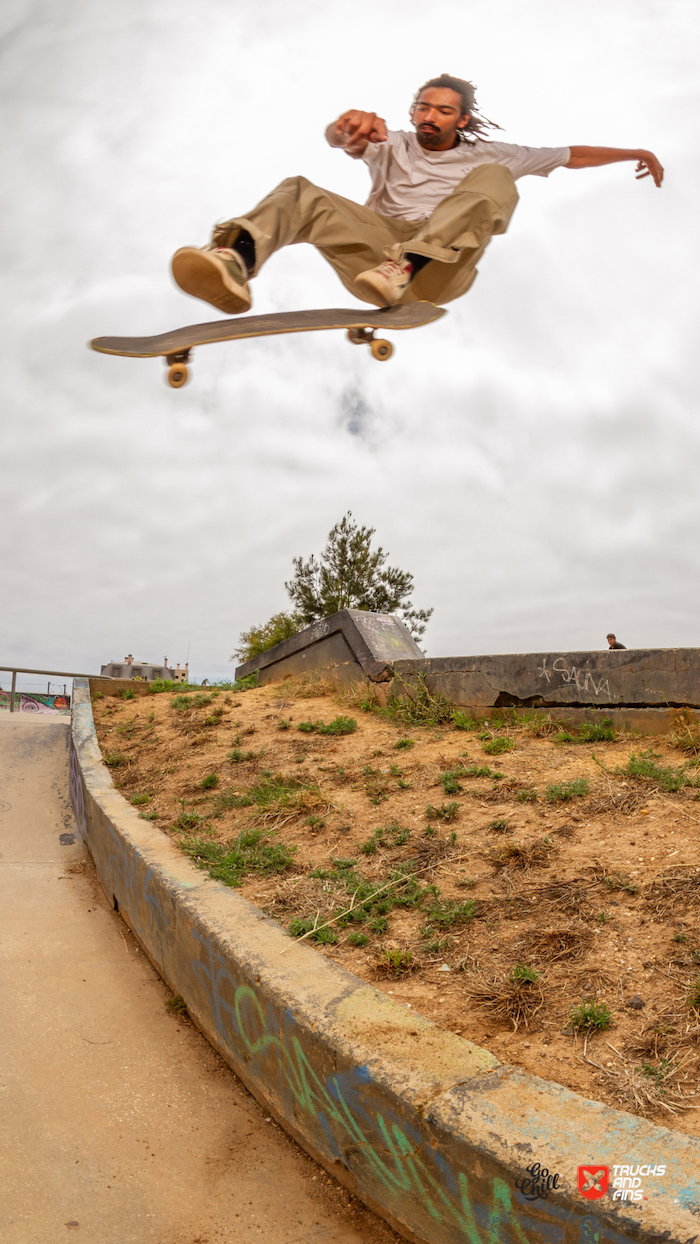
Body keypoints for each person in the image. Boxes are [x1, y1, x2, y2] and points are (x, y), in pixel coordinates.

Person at [171, 73, 664, 315]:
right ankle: (234, 260)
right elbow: (344, 141)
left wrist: (635, 151)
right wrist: (345, 128)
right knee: (301, 191)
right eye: (422, 108)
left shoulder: (498, 154)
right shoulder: (393, 144)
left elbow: (570, 154)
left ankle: (408, 266)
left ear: (462, 120)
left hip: (440, 270)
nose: (430, 118)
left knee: (493, 177)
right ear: (413, 112)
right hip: (372, 259)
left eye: (443, 112)